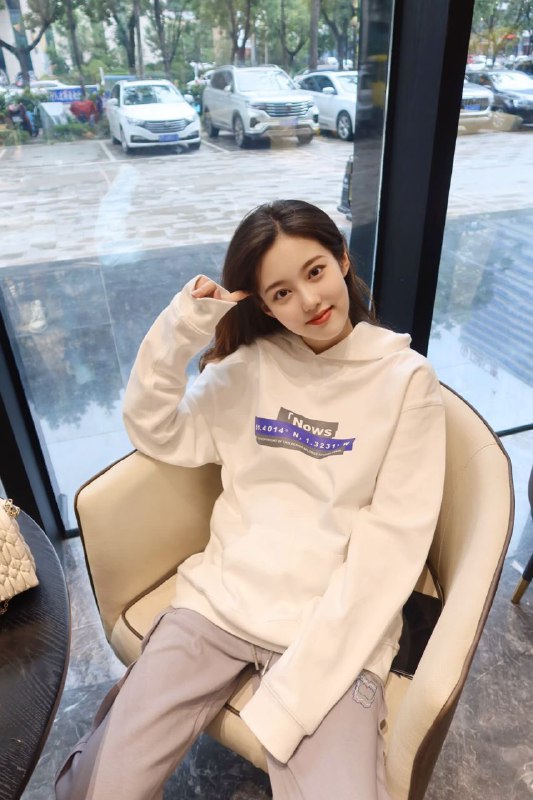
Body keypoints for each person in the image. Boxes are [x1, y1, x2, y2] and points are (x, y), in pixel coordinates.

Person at [56, 200, 446, 800]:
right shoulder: (250, 368)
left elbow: (393, 543)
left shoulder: (406, 380)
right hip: (218, 604)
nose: (310, 301)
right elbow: (155, 429)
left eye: (315, 271)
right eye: (282, 292)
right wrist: (184, 327)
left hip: (330, 627)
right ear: (264, 305)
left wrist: (303, 685)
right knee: (99, 789)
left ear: (343, 260)